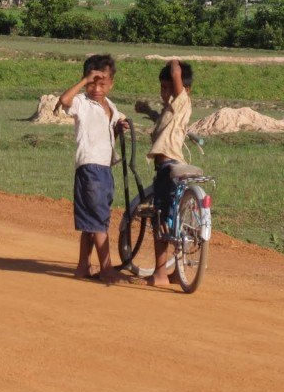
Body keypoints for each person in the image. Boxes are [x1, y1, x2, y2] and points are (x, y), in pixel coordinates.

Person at [56, 54, 128, 283]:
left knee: (93, 219)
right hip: (90, 166)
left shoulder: (112, 108)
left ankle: (82, 267)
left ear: (111, 84)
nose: (96, 88)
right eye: (92, 83)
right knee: (97, 218)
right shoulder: (82, 103)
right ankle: (106, 269)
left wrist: (119, 128)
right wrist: (83, 81)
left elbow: (107, 136)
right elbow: (64, 100)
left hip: (105, 168)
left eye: (102, 83)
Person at [136, 58, 194, 287]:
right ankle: (177, 272)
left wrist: (174, 65)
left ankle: (159, 275)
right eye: (161, 87)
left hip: (168, 167)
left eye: (167, 87)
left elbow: (177, 80)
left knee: (160, 218)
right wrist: (148, 111)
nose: (163, 92)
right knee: (174, 219)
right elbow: (163, 123)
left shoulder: (182, 101)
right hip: (172, 167)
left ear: (183, 89)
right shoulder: (172, 109)